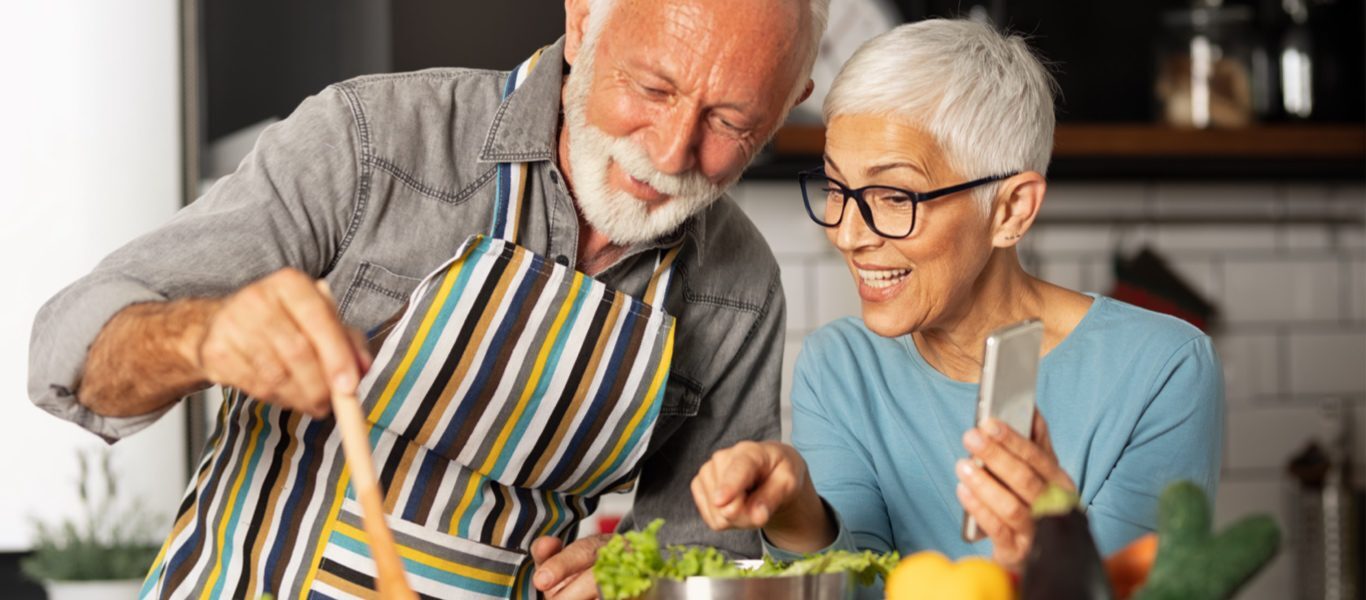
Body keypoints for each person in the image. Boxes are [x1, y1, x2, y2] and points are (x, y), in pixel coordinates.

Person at [28, 0, 829, 597]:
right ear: (583, 22)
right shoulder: (376, 141)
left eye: (730, 120)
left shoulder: (737, 288)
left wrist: (633, 577)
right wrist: (200, 335)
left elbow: (699, 560)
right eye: (652, 87)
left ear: (793, 99)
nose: (670, 151)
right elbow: (68, 352)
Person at [689, 18, 1224, 583]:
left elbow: (1146, 592)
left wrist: (1053, 554)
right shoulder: (841, 366)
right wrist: (797, 511)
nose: (847, 234)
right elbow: (855, 589)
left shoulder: (1164, 369)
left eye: (893, 196)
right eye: (837, 188)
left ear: (1011, 210)